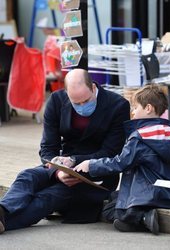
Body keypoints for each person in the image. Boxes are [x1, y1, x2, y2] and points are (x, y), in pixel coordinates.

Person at [0, 68, 130, 234]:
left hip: (98, 173)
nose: (82, 107)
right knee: (27, 176)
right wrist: (58, 171)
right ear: (67, 94)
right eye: (76, 103)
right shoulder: (56, 100)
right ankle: (2, 212)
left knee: (48, 196)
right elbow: (48, 148)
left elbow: (111, 152)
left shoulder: (117, 105)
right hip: (61, 165)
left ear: (93, 87)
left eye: (86, 101)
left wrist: (74, 161)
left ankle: (5, 223)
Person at [74, 84, 170, 235]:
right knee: (114, 197)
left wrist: (92, 165)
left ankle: (143, 217)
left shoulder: (140, 137)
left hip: (145, 193)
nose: (133, 112)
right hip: (169, 193)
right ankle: (145, 215)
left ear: (148, 108)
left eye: (135, 107)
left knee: (112, 212)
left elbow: (120, 163)